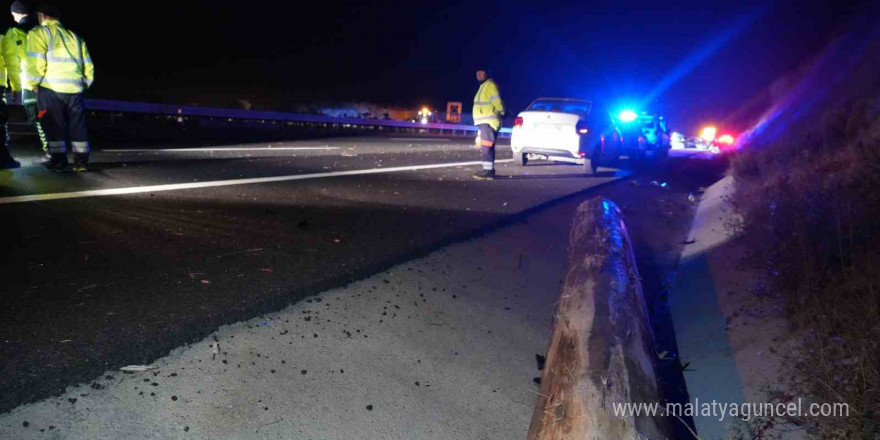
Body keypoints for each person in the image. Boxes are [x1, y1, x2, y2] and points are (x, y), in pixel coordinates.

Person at [24, 3, 94, 172]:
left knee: (54, 125)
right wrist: (83, 84)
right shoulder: (75, 37)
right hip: (75, 89)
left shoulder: (39, 33)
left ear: (42, 16)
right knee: (78, 126)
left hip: (51, 88)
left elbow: (35, 62)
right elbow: (88, 67)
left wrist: (33, 84)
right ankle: (81, 162)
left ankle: (59, 161)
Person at [4, 0, 47, 159]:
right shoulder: (41, 30)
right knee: (44, 115)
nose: (12, 16)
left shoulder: (15, 32)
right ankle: (54, 150)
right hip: (46, 81)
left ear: (18, 13)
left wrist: (14, 85)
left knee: (37, 117)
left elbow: (13, 60)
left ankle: (51, 150)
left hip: (29, 82)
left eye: (13, 13)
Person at [471, 67, 504, 180]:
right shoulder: (484, 86)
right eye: (477, 72)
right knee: (488, 146)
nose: (479, 75)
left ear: (487, 74)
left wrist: (502, 111)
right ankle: (489, 170)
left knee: (486, 147)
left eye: (481, 72)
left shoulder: (490, 85)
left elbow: (497, 102)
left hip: (488, 121)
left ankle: (488, 171)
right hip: (486, 121)